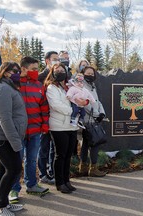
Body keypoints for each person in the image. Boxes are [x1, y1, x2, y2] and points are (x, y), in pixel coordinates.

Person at [9, 57, 49, 203]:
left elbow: (44, 107)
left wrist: (45, 124)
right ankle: (13, 189)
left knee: (31, 160)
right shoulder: (13, 84)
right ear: (24, 69)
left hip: (35, 131)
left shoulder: (39, 85)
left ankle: (31, 184)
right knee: (15, 161)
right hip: (17, 131)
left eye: (37, 69)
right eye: (34, 69)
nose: (36, 71)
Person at [0, 62, 27, 216]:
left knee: (4, 169)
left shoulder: (9, 86)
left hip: (5, 137)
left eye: (19, 70)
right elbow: (5, 118)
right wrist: (15, 143)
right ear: (5, 72)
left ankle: (3, 203)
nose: (18, 73)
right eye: (14, 71)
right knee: (14, 169)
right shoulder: (4, 89)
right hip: (1, 137)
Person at [44, 62, 87, 193]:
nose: (60, 72)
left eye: (63, 69)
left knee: (69, 155)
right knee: (60, 155)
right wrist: (72, 111)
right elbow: (55, 105)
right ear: (52, 72)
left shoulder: (70, 86)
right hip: (58, 126)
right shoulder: (52, 87)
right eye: (57, 70)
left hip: (72, 125)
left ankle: (67, 180)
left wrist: (81, 105)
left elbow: (78, 98)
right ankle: (60, 182)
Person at [79, 66, 107, 177]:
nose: (90, 75)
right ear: (83, 74)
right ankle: (91, 168)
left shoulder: (92, 86)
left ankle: (85, 168)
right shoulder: (81, 86)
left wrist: (102, 113)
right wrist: (97, 115)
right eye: (88, 73)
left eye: (92, 73)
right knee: (93, 143)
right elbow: (85, 103)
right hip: (88, 119)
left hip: (95, 118)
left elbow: (97, 101)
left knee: (87, 143)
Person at [37, 51, 58, 185]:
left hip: (56, 118)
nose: (57, 61)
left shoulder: (58, 76)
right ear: (47, 61)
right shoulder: (40, 77)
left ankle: (52, 172)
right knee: (43, 147)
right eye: (54, 59)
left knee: (53, 148)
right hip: (43, 118)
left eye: (58, 59)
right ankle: (43, 173)